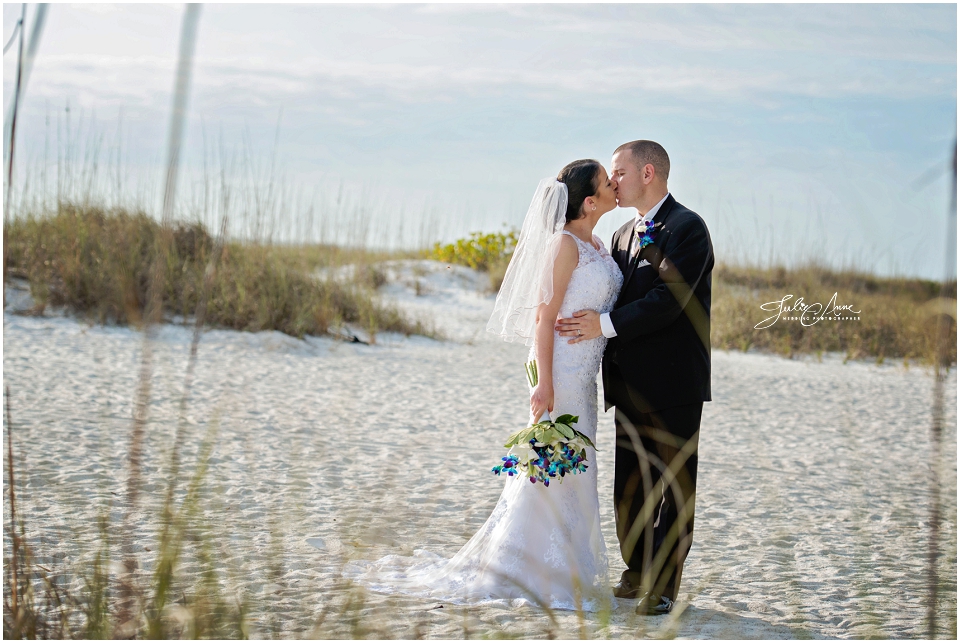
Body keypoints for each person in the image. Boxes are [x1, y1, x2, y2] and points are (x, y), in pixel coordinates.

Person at [344, 160, 622, 611]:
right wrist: (544, 384)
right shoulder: (566, 245)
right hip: (561, 370)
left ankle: (569, 566)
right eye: (606, 183)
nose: (614, 185)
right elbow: (544, 318)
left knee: (577, 468)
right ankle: (525, 569)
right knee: (549, 468)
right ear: (589, 202)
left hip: (585, 374)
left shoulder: (600, 244)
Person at [555, 140, 713, 615]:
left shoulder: (688, 228)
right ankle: (637, 569)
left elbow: (670, 299)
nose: (613, 181)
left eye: (619, 172)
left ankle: (663, 587)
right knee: (631, 491)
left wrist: (599, 326)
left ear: (648, 173)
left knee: (674, 487)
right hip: (626, 384)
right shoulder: (621, 235)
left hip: (675, 382)